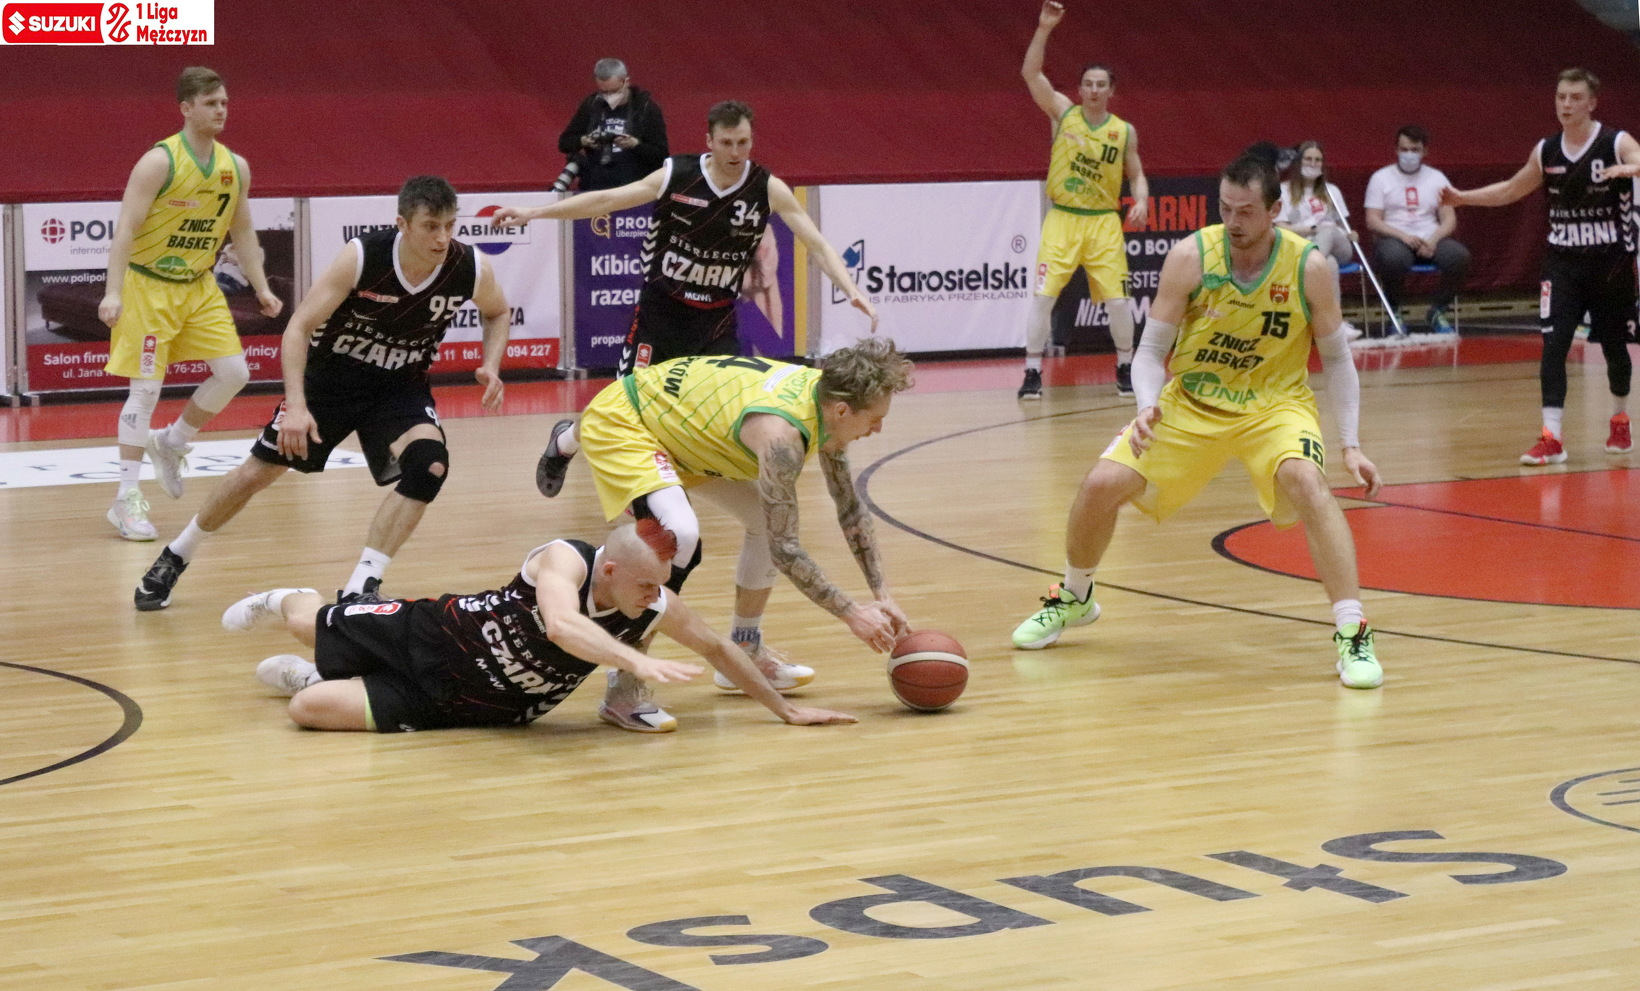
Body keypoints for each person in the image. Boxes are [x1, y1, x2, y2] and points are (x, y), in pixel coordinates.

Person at [1009, 150, 1387, 690]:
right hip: (1192, 402)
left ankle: (1353, 633)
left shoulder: (1309, 268)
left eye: (1246, 211)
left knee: (1308, 482)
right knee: (1100, 485)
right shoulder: (1191, 256)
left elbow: (1338, 360)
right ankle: (1075, 596)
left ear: (1274, 211)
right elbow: (1148, 353)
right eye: (1225, 208)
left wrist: (1350, 443)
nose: (1232, 222)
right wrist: (1146, 404)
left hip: (1275, 405)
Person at [133, 176, 511, 611]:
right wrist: (296, 406)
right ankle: (176, 555)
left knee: (430, 465)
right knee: (256, 474)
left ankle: (361, 585)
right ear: (403, 224)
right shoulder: (363, 257)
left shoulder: (470, 267)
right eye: (430, 226)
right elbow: (298, 328)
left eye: (449, 225)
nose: (442, 238)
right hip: (331, 381)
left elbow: (497, 312)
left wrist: (491, 364)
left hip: (400, 386)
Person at [541, 339, 916, 730]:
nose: (878, 428)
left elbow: (849, 507)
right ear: (842, 410)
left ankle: (744, 647)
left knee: (762, 521)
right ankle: (623, 687)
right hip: (629, 424)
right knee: (679, 536)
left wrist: (882, 595)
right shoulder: (781, 436)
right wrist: (853, 614)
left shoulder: (829, 401)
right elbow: (786, 550)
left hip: (687, 431)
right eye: (875, 418)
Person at [227, 520, 856, 733]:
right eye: (645, 584)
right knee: (306, 625)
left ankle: (316, 679)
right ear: (609, 569)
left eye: (661, 584)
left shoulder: (653, 602)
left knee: (307, 711)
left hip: (477, 704)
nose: (656, 596)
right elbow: (560, 626)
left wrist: (785, 710)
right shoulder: (564, 559)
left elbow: (718, 647)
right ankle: (283, 595)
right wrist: (636, 662)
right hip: (435, 633)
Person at [500, 100, 876, 382]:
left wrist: (851, 289)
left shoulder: (767, 188)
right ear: (709, 141)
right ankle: (566, 441)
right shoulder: (677, 175)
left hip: (716, 320)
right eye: (726, 143)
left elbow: (817, 245)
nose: (735, 152)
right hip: (661, 312)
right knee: (627, 409)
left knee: (722, 409)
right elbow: (606, 200)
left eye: (743, 142)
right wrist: (534, 212)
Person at [100, 66, 284, 541]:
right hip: (149, 286)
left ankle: (173, 440)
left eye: (224, 102)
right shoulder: (158, 162)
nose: (221, 110)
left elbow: (242, 230)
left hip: (199, 287)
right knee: (145, 391)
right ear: (186, 108)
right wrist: (113, 291)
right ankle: (125, 500)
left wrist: (261, 287)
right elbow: (126, 229)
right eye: (210, 103)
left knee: (235, 373)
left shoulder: (235, 166)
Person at [1442, 67, 1639, 465]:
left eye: (1575, 97)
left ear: (1592, 103)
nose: (1566, 104)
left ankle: (1619, 419)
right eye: (1561, 97)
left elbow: (1638, 157)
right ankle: (1552, 437)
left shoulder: (1614, 142)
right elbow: (1512, 189)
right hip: (1562, 264)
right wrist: (1463, 198)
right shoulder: (1546, 150)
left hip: (1610, 264)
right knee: (1553, 346)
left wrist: (1631, 168)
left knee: (1615, 349)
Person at [1017, 0, 1149, 401]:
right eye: (1088, 84)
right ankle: (1032, 371)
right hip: (1063, 218)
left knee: (1119, 302)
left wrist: (1141, 200)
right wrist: (1044, 28)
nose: (1093, 90)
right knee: (1043, 297)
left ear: (1111, 91)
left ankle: (1124, 366)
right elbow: (1030, 73)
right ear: (1080, 89)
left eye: (1100, 85)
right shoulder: (1063, 113)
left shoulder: (1123, 131)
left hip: (1103, 221)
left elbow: (1136, 174)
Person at [1364, 125, 1471, 333]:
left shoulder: (1437, 178)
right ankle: (1395, 312)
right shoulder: (1380, 178)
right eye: (1404, 149)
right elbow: (1373, 221)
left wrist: (1433, 240)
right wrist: (1404, 236)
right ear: (1396, 150)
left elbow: (1449, 219)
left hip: (1431, 239)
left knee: (1459, 257)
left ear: (1424, 151)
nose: (1409, 154)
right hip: (1396, 239)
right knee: (1393, 259)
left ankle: (1438, 310)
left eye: (1415, 150)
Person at [1276, 140, 1361, 340]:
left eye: (1318, 160)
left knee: (1328, 230)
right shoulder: (1283, 190)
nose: (1313, 164)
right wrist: (1311, 229)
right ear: (1298, 162)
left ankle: (1310, 265)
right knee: (1328, 264)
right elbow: (1280, 228)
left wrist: (1351, 234)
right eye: (1308, 159)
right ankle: (1335, 325)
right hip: (1302, 244)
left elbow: (1340, 226)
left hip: (1337, 245)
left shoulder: (1331, 190)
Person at [555, 58, 669, 192]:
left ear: (626, 82)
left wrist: (635, 145)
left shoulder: (646, 108)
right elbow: (564, 143)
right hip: (595, 187)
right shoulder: (592, 105)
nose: (609, 96)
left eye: (614, 91)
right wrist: (583, 141)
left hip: (634, 188)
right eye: (604, 92)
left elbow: (661, 155)